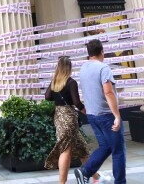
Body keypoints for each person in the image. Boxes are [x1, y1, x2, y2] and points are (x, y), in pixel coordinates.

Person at [74, 39, 126, 184]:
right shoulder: (103, 68)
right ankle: (120, 182)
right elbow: (108, 92)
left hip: (92, 115)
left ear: (89, 53)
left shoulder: (83, 68)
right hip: (106, 115)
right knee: (118, 151)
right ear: (101, 52)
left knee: (106, 146)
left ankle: (85, 171)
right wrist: (116, 115)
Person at [43, 56, 101, 184]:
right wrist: (87, 112)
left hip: (58, 116)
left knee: (82, 148)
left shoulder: (55, 82)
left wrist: (57, 93)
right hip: (69, 117)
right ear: (68, 68)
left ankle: (96, 177)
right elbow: (77, 102)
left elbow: (47, 97)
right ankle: (62, 183)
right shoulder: (71, 82)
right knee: (66, 149)